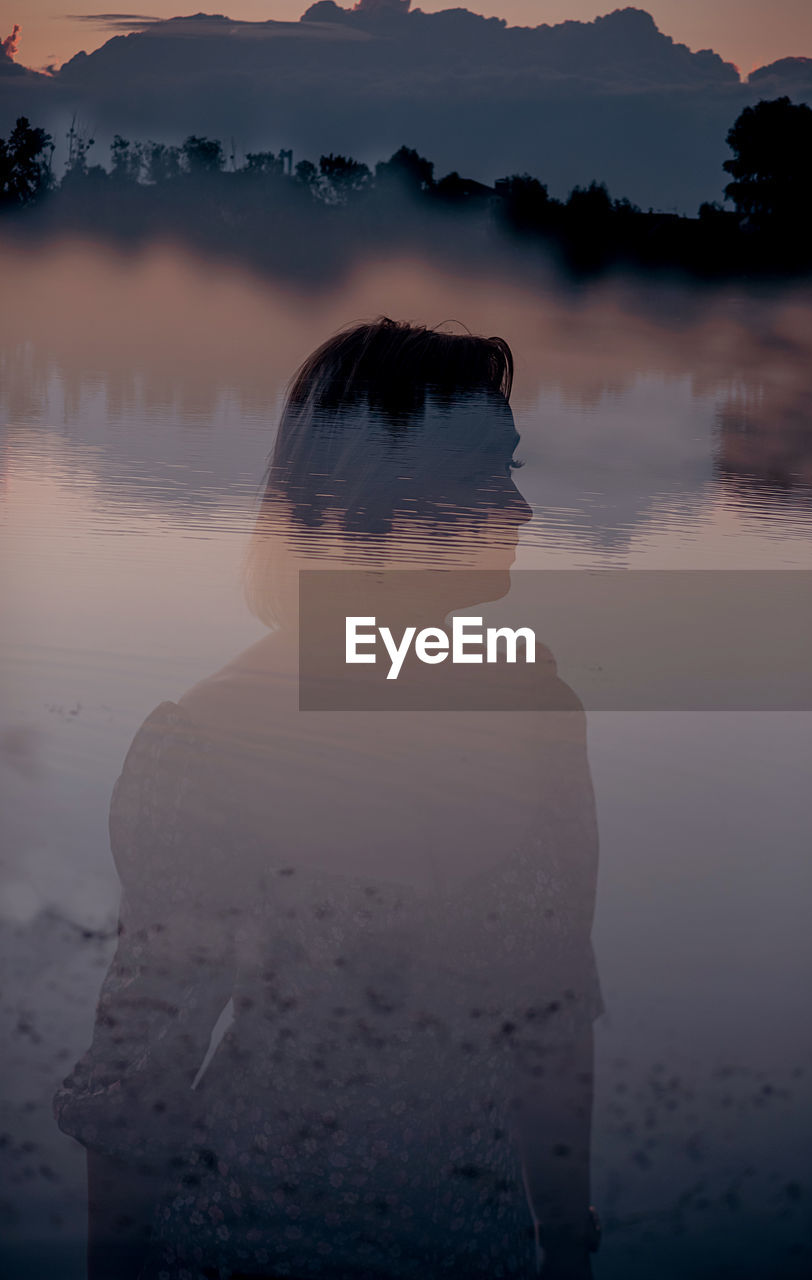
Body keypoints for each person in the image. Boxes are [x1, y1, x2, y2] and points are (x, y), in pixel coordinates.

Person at [55, 319, 602, 1279]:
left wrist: (565, 1247)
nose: (522, 510)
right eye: (488, 476)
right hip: (245, 1249)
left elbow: (551, 1021)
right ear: (389, 498)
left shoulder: (539, 715)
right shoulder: (209, 741)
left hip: (477, 1257)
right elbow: (138, 1081)